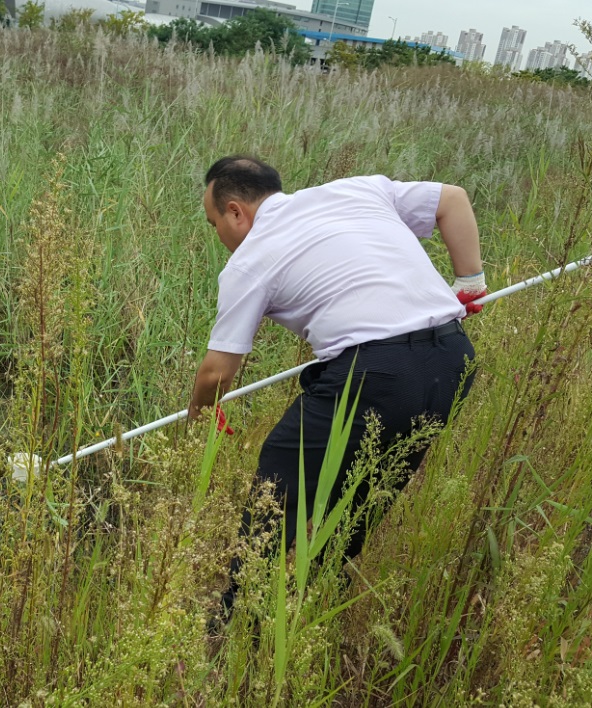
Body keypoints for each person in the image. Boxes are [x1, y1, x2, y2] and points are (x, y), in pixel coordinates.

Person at [187, 156, 487, 621]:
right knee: (367, 487)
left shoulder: (251, 258)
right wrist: (470, 282)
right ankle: (317, 596)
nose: (220, 238)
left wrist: (201, 414)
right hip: (452, 360)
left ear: (234, 211)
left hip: (376, 371)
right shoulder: (357, 190)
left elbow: (216, 373)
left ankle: (238, 615)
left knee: (279, 480)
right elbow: (453, 199)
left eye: (213, 225)